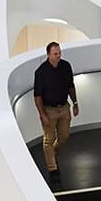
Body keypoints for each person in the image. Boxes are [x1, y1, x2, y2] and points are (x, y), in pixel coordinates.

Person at [34, 42, 78, 184]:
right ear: (48, 54)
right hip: (49, 110)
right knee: (49, 139)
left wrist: (75, 103)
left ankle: (53, 152)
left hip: (64, 108)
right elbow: (37, 96)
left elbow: (71, 86)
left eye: (59, 53)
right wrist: (42, 114)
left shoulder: (66, 66)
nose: (58, 56)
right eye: (55, 54)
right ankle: (53, 169)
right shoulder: (41, 72)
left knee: (64, 136)